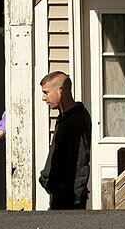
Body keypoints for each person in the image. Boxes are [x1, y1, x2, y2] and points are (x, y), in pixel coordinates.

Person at [39, 72, 91, 210]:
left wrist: (75, 199)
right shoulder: (64, 118)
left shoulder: (76, 120)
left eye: (46, 92)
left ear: (60, 90)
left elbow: (81, 161)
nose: (44, 98)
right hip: (59, 195)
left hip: (69, 200)